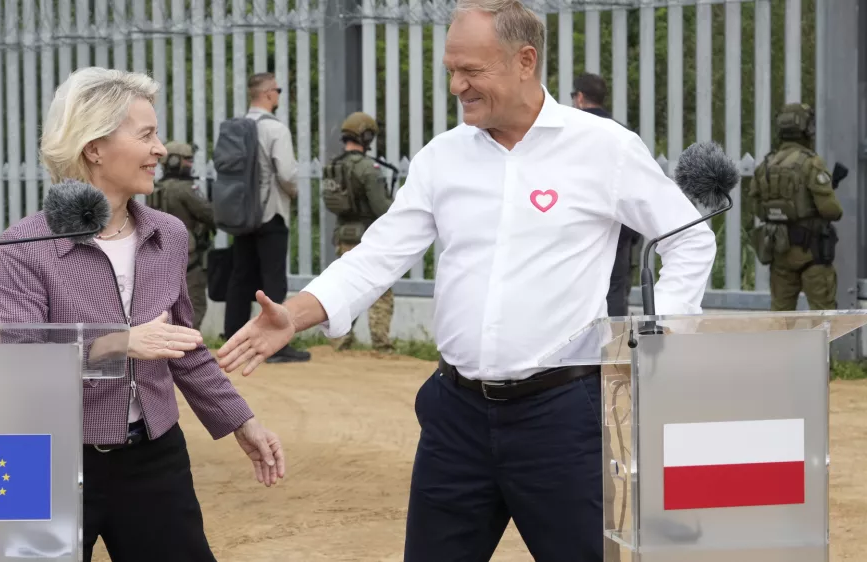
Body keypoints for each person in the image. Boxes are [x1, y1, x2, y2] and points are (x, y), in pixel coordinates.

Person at [215, 1, 716, 561]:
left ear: (525, 60)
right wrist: (297, 313)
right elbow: (375, 256)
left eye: (471, 71)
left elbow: (689, 237)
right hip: (455, 421)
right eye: (451, 69)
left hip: (562, 421)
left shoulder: (604, 149)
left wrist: (657, 341)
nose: (457, 85)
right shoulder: (443, 159)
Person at [0, 67, 285, 562]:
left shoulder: (167, 235)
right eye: (146, 134)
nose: (162, 149)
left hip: (154, 459)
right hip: (50, 462)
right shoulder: (26, 246)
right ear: (94, 147)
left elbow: (183, 348)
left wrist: (241, 422)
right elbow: (20, 363)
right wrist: (115, 341)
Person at [223, 72, 310, 363]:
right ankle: (275, 345)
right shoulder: (276, 129)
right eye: (278, 91)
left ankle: (232, 335)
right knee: (273, 278)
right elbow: (286, 173)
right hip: (271, 212)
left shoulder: (236, 128)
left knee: (240, 274)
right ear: (270, 94)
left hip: (242, 212)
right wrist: (294, 193)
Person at [747, 102, 842, 310]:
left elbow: (756, 207)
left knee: (780, 319)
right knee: (824, 318)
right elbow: (832, 211)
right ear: (807, 129)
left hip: (780, 252)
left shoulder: (767, 164)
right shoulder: (811, 163)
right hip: (813, 254)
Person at [322, 111, 395, 352]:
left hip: (343, 236)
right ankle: (381, 344)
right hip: (368, 237)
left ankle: (340, 341)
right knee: (380, 290)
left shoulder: (334, 166)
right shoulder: (368, 169)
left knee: (345, 287)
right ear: (366, 137)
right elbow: (382, 208)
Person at [572, 72, 643, 317]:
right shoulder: (624, 135)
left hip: (578, 227)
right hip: (619, 226)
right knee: (614, 291)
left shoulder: (569, 133)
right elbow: (637, 186)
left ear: (579, 98)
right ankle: (615, 349)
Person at [147, 140, 216, 329]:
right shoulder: (185, 190)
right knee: (194, 306)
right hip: (190, 258)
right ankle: (188, 353)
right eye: (186, 160)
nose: (190, 164)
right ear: (174, 161)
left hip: (164, 254)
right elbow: (210, 215)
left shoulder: (156, 187)